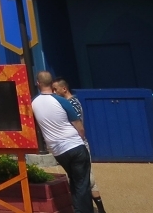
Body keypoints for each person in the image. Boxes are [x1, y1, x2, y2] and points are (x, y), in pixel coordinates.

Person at [31, 71, 92, 213]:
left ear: (37, 83)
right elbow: (79, 125)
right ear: (51, 83)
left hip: (57, 150)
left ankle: (77, 208)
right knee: (82, 184)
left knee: (75, 181)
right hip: (74, 145)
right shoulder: (61, 101)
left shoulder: (33, 103)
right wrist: (81, 139)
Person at [53, 79, 106, 213]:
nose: (54, 92)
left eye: (56, 89)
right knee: (86, 178)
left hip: (78, 144)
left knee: (86, 179)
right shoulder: (69, 102)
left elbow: (76, 124)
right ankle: (100, 209)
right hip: (76, 144)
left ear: (64, 89)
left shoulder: (71, 103)